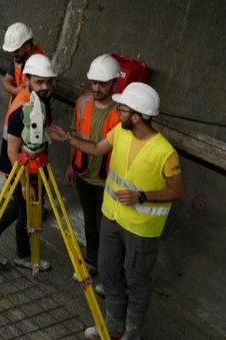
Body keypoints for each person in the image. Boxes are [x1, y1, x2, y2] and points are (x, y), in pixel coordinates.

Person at [46, 83, 185, 340]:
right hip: (111, 218)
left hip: (141, 229)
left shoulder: (164, 152)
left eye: (123, 109)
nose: (118, 111)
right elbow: (98, 149)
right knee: (109, 272)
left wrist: (142, 196)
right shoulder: (120, 132)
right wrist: (67, 137)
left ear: (137, 115)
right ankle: (113, 327)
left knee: (136, 281)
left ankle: (132, 334)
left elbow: (177, 191)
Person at [0, 54, 55, 271]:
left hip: (31, 165)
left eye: (48, 81)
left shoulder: (38, 100)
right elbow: (12, 150)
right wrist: (24, 183)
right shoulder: (21, 109)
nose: (45, 86)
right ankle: (23, 255)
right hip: (18, 167)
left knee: (18, 206)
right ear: (26, 80)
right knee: (25, 211)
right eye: (39, 82)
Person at [65, 54, 122, 294]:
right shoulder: (82, 103)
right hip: (84, 174)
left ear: (113, 84)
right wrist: (70, 165)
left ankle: (108, 271)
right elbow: (75, 135)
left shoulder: (121, 112)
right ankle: (92, 260)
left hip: (107, 180)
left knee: (107, 230)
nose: (97, 88)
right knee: (90, 222)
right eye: (94, 83)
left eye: (103, 84)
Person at [1, 22, 44, 105]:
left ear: (28, 46)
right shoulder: (18, 59)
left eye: (16, 51)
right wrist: (16, 90)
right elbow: (6, 81)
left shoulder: (40, 65)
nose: (13, 55)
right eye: (12, 52)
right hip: (17, 107)